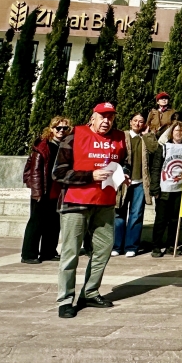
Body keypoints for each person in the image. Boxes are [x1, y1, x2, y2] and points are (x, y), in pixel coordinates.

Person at [53, 102, 130, 318]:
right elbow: (58, 173)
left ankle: (90, 292)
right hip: (75, 203)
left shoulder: (119, 138)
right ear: (93, 118)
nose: (106, 121)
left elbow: (123, 162)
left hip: (105, 203)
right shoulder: (74, 136)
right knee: (70, 253)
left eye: (110, 117)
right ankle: (65, 300)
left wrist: (123, 174)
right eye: (102, 116)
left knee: (104, 250)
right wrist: (90, 176)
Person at [21, 116, 70, 264]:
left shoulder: (65, 146)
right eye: (58, 128)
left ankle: (48, 252)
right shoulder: (43, 146)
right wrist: (37, 192)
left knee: (54, 223)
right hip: (43, 190)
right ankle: (28, 254)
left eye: (65, 128)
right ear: (51, 129)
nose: (61, 131)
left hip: (58, 190)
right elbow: (35, 171)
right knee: (36, 223)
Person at [113, 113, 156, 258]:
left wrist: (147, 135)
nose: (138, 123)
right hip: (123, 181)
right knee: (119, 212)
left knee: (136, 214)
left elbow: (154, 149)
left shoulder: (146, 138)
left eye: (141, 121)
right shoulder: (122, 136)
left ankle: (131, 246)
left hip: (140, 182)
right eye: (135, 121)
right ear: (130, 122)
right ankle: (117, 245)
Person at [149, 121, 182, 258]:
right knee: (161, 219)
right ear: (172, 132)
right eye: (176, 130)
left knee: (175, 220)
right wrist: (155, 188)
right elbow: (156, 168)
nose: (179, 133)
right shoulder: (164, 147)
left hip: (180, 189)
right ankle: (156, 246)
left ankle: (171, 245)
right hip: (164, 189)